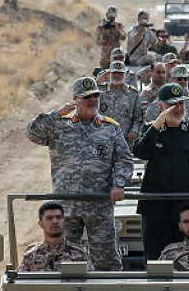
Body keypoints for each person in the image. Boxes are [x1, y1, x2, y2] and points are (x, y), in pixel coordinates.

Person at [26, 77, 132, 271]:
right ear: (75, 99)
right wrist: (57, 114)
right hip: (67, 207)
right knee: (64, 260)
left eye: (95, 96)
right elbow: (32, 133)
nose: (92, 100)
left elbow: (124, 159)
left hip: (99, 206)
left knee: (106, 261)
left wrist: (119, 183)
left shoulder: (110, 128)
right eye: (86, 97)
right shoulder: (58, 125)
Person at [132, 82, 189, 263]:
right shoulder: (150, 130)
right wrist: (157, 125)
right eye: (172, 104)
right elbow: (140, 152)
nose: (178, 108)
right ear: (161, 107)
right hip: (157, 210)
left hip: (186, 209)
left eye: (181, 104)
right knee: (156, 261)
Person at [19, 201, 90, 272]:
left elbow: (92, 281)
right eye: (49, 218)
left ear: (64, 221)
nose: (55, 221)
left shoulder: (80, 256)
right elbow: (20, 281)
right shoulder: (31, 257)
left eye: (59, 217)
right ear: (41, 224)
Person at [98, 61, 144, 144]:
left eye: (120, 73)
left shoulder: (133, 93)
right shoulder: (99, 91)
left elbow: (138, 118)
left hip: (125, 142)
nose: (117, 75)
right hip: (102, 140)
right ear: (109, 74)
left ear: (125, 75)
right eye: (114, 72)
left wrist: (134, 131)